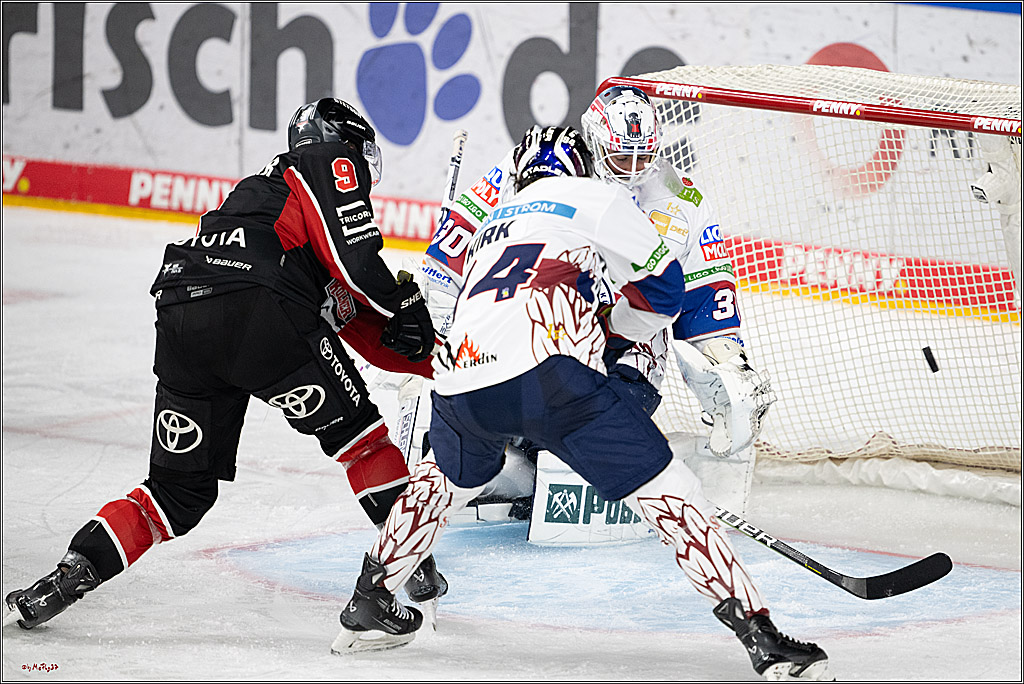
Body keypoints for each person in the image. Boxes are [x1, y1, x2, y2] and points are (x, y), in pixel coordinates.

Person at [331, 126, 833, 682]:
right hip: (552, 383)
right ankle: (760, 636)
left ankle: (369, 599)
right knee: (671, 493)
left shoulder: (490, 225)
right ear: (581, 165)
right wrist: (612, 328)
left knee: (437, 480)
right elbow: (663, 292)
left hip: (458, 384)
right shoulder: (597, 195)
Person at [3, 98, 448, 631]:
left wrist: (441, 360)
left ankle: (67, 575)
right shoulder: (327, 161)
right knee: (363, 442)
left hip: (183, 317)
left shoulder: (258, 202)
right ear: (344, 144)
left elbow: (362, 325)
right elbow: (355, 262)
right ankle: (409, 560)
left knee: (175, 493)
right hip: (259, 310)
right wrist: (404, 304)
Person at [401, 84, 773, 519]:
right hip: (531, 336)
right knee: (460, 412)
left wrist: (728, 364)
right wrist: (441, 316)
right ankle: (512, 465)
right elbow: (458, 238)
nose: (632, 171)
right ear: (596, 144)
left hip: (625, 350)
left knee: (571, 448)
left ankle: (521, 470)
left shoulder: (683, 199)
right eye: (619, 158)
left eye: (643, 158)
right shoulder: (544, 166)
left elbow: (703, 293)